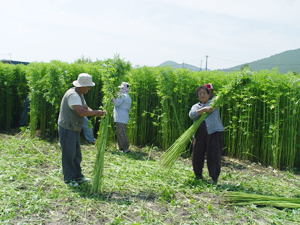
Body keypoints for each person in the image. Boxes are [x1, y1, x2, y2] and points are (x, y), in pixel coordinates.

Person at [57, 73, 106, 186]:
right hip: (67, 128)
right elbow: (81, 112)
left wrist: (96, 111)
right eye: (88, 86)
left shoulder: (79, 94)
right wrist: (96, 113)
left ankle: (78, 177)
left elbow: (85, 107)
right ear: (81, 86)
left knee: (76, 154)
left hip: (73, 128)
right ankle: (69, 179)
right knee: (69, 155)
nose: (89, 88)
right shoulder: (73, 95)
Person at [189, 85, 224, 184]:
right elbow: (191, 115)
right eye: (200, 94)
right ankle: (198, 175)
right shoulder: (196, 106)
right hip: (199, 134)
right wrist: (204, 110)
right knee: (197, 154)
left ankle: (214, 177)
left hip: (214, 132)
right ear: (197, 96)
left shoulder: (215, 103)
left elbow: (222, 97)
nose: (202, 95)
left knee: (214, 155)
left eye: (204, 93)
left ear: (209, 94)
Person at [113, 82, 132, 153]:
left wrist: (112, 97)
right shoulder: (126, 96)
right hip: (121, 117)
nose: (120, 89)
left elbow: (116, 103)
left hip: (121, 117)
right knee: (119, 132)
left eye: (121, 88)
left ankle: (125, 148)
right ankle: (121, 147)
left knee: (121, 133)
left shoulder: (124, 96)